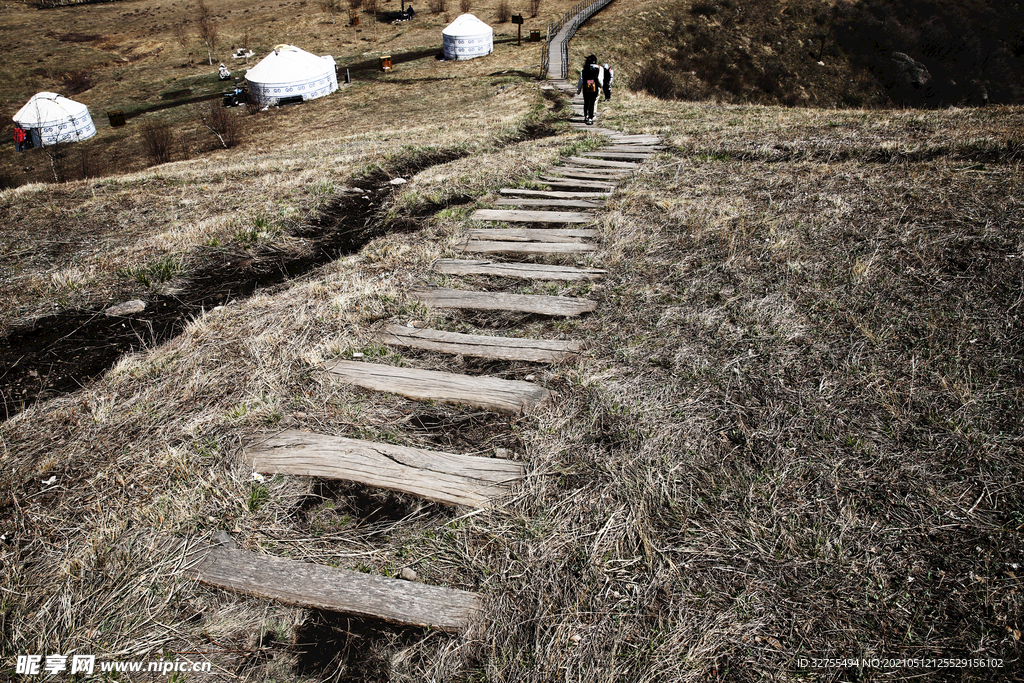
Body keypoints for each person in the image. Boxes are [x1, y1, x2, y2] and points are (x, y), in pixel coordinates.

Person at [576, 54, 603, 125]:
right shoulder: (597, 70)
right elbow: (600, 80)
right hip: (594, 88)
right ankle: (590, 117)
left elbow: (581, 80)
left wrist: (578, 90)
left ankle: (586, 116)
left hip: (586, 88)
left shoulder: (584, 70)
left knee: (586, 102)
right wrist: (601, 86)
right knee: (592, 102)